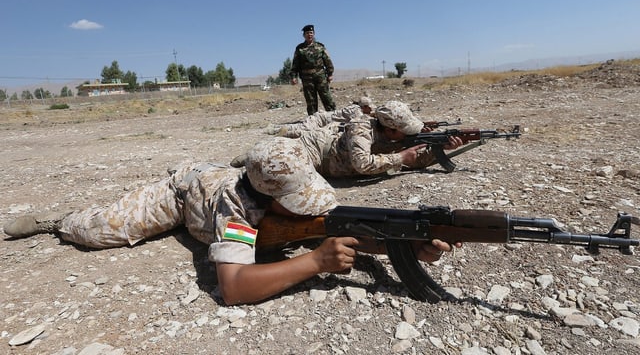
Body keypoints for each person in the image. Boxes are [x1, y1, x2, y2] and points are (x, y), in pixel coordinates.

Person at [3, 137, 460, 305]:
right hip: (184, 194)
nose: (312, 210)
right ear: (266, 197)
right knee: (98, 232)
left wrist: (403, 246)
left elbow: (329, 233)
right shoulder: (238, 206)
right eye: (297, 203)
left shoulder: (294, 193)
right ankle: (54, 221)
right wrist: (315, 263)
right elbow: (235, 288)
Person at [233, 101, 464, 178]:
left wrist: (439, 149)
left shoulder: (393, 136)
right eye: (405, 130)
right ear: (391, 130)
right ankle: (249, 156)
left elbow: (415, 161)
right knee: (267, 163)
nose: (410, 135)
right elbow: (362, 164)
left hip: (328, 147)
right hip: (313, 149)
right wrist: (400, 157)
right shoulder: (361, 128)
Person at [264, 96, 376, 138]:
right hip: (320, 120)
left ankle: (274, 127)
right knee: (303, 130)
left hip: (321, 119)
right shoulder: (356, 110)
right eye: (369, 107)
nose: (371, 109)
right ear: (364, 107)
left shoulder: (357, 109)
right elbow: (360, 121)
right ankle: (274, 131)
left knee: (300, 126)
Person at [290, 24, 337, 115]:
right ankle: (313, 119)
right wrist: (293, 76)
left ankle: (333, 115)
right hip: (307, 78)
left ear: (314, 34)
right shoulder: (299, 48)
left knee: (326, 96)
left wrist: (330, 73)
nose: (309, 35)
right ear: (304, 35)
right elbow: (295, 64)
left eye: (311, 33)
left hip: (320, 76)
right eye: (307, 33)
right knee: (310, 100)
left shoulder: (320, 46)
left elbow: (327, 60)